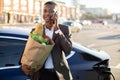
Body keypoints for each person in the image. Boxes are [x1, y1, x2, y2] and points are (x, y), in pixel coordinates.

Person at [20, 1, 73, 80]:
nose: (47, 13)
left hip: (58, 75)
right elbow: (28, 49)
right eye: (45, 11)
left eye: (51, 11)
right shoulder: (36, 30)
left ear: (56, 14)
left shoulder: (64, 29)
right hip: (40, 74)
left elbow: (68, 49)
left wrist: (57, 29)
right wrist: (23, 65)